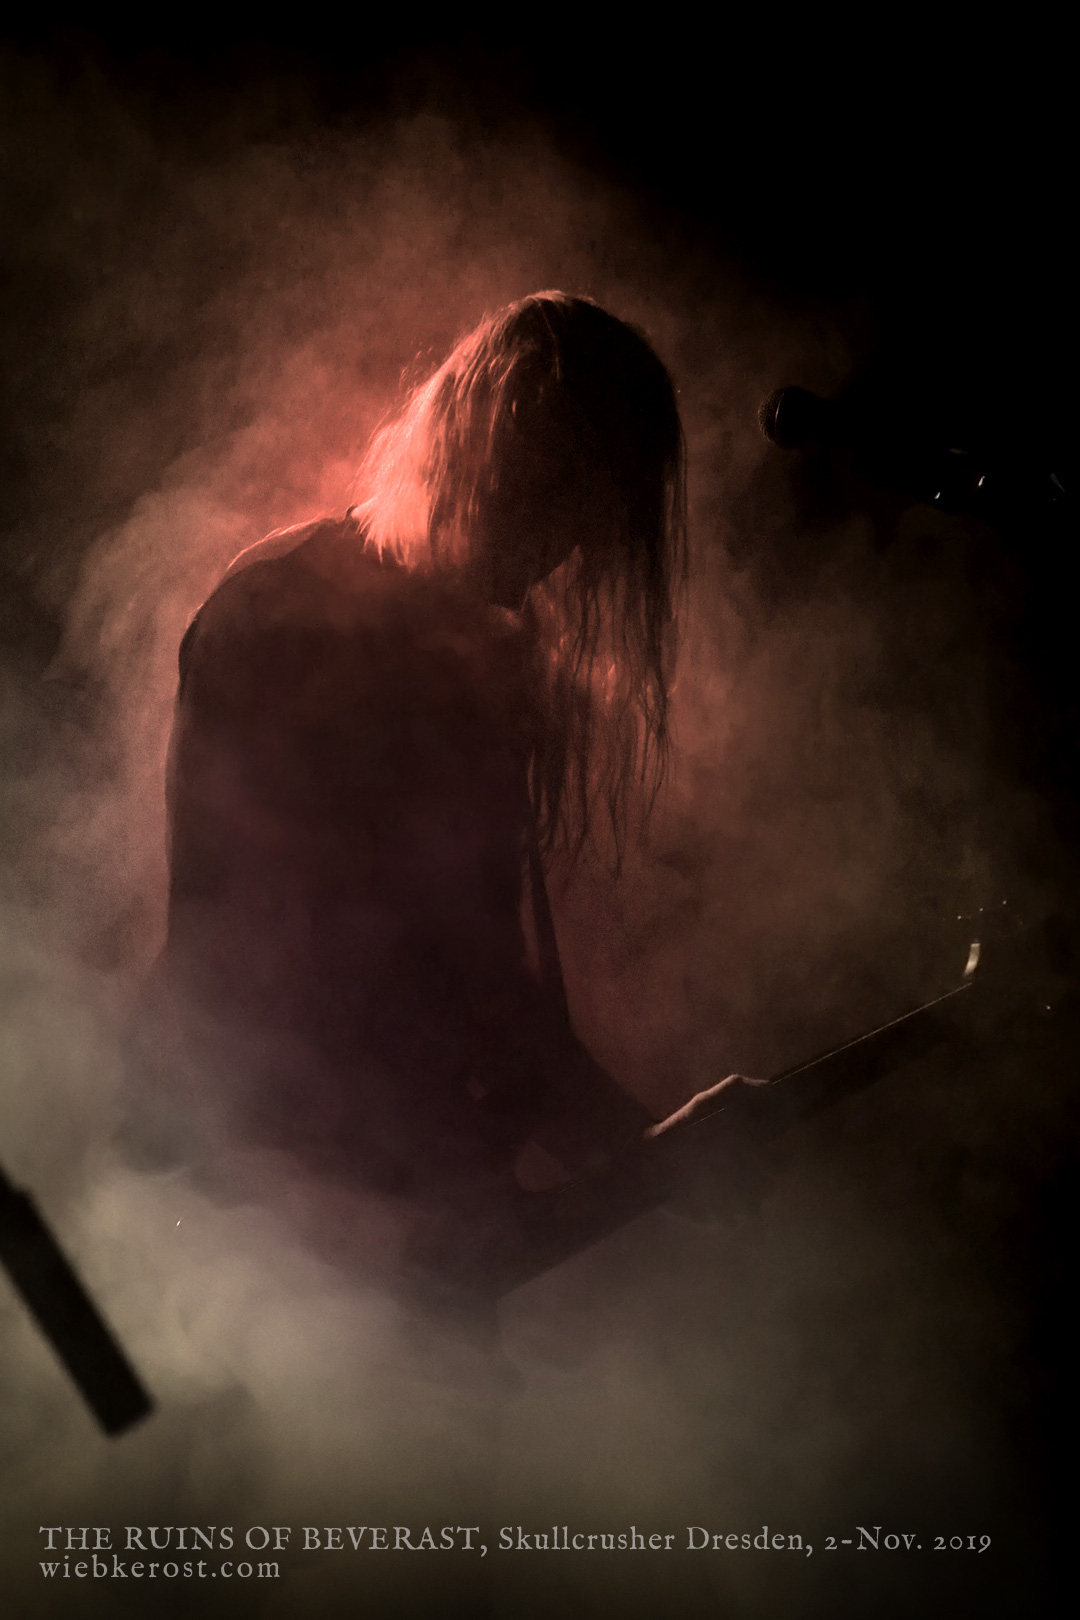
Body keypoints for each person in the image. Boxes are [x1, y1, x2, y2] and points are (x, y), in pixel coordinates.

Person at [124, 290, 691, 1303]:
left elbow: (486, 989)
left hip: (386, 1194)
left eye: (590, 516)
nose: (567, 547)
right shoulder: (284, 610)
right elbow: (245, 962)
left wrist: (653, 1145)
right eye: (559, 497)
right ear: (495, 458)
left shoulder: (483, 654)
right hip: (262, 1198)